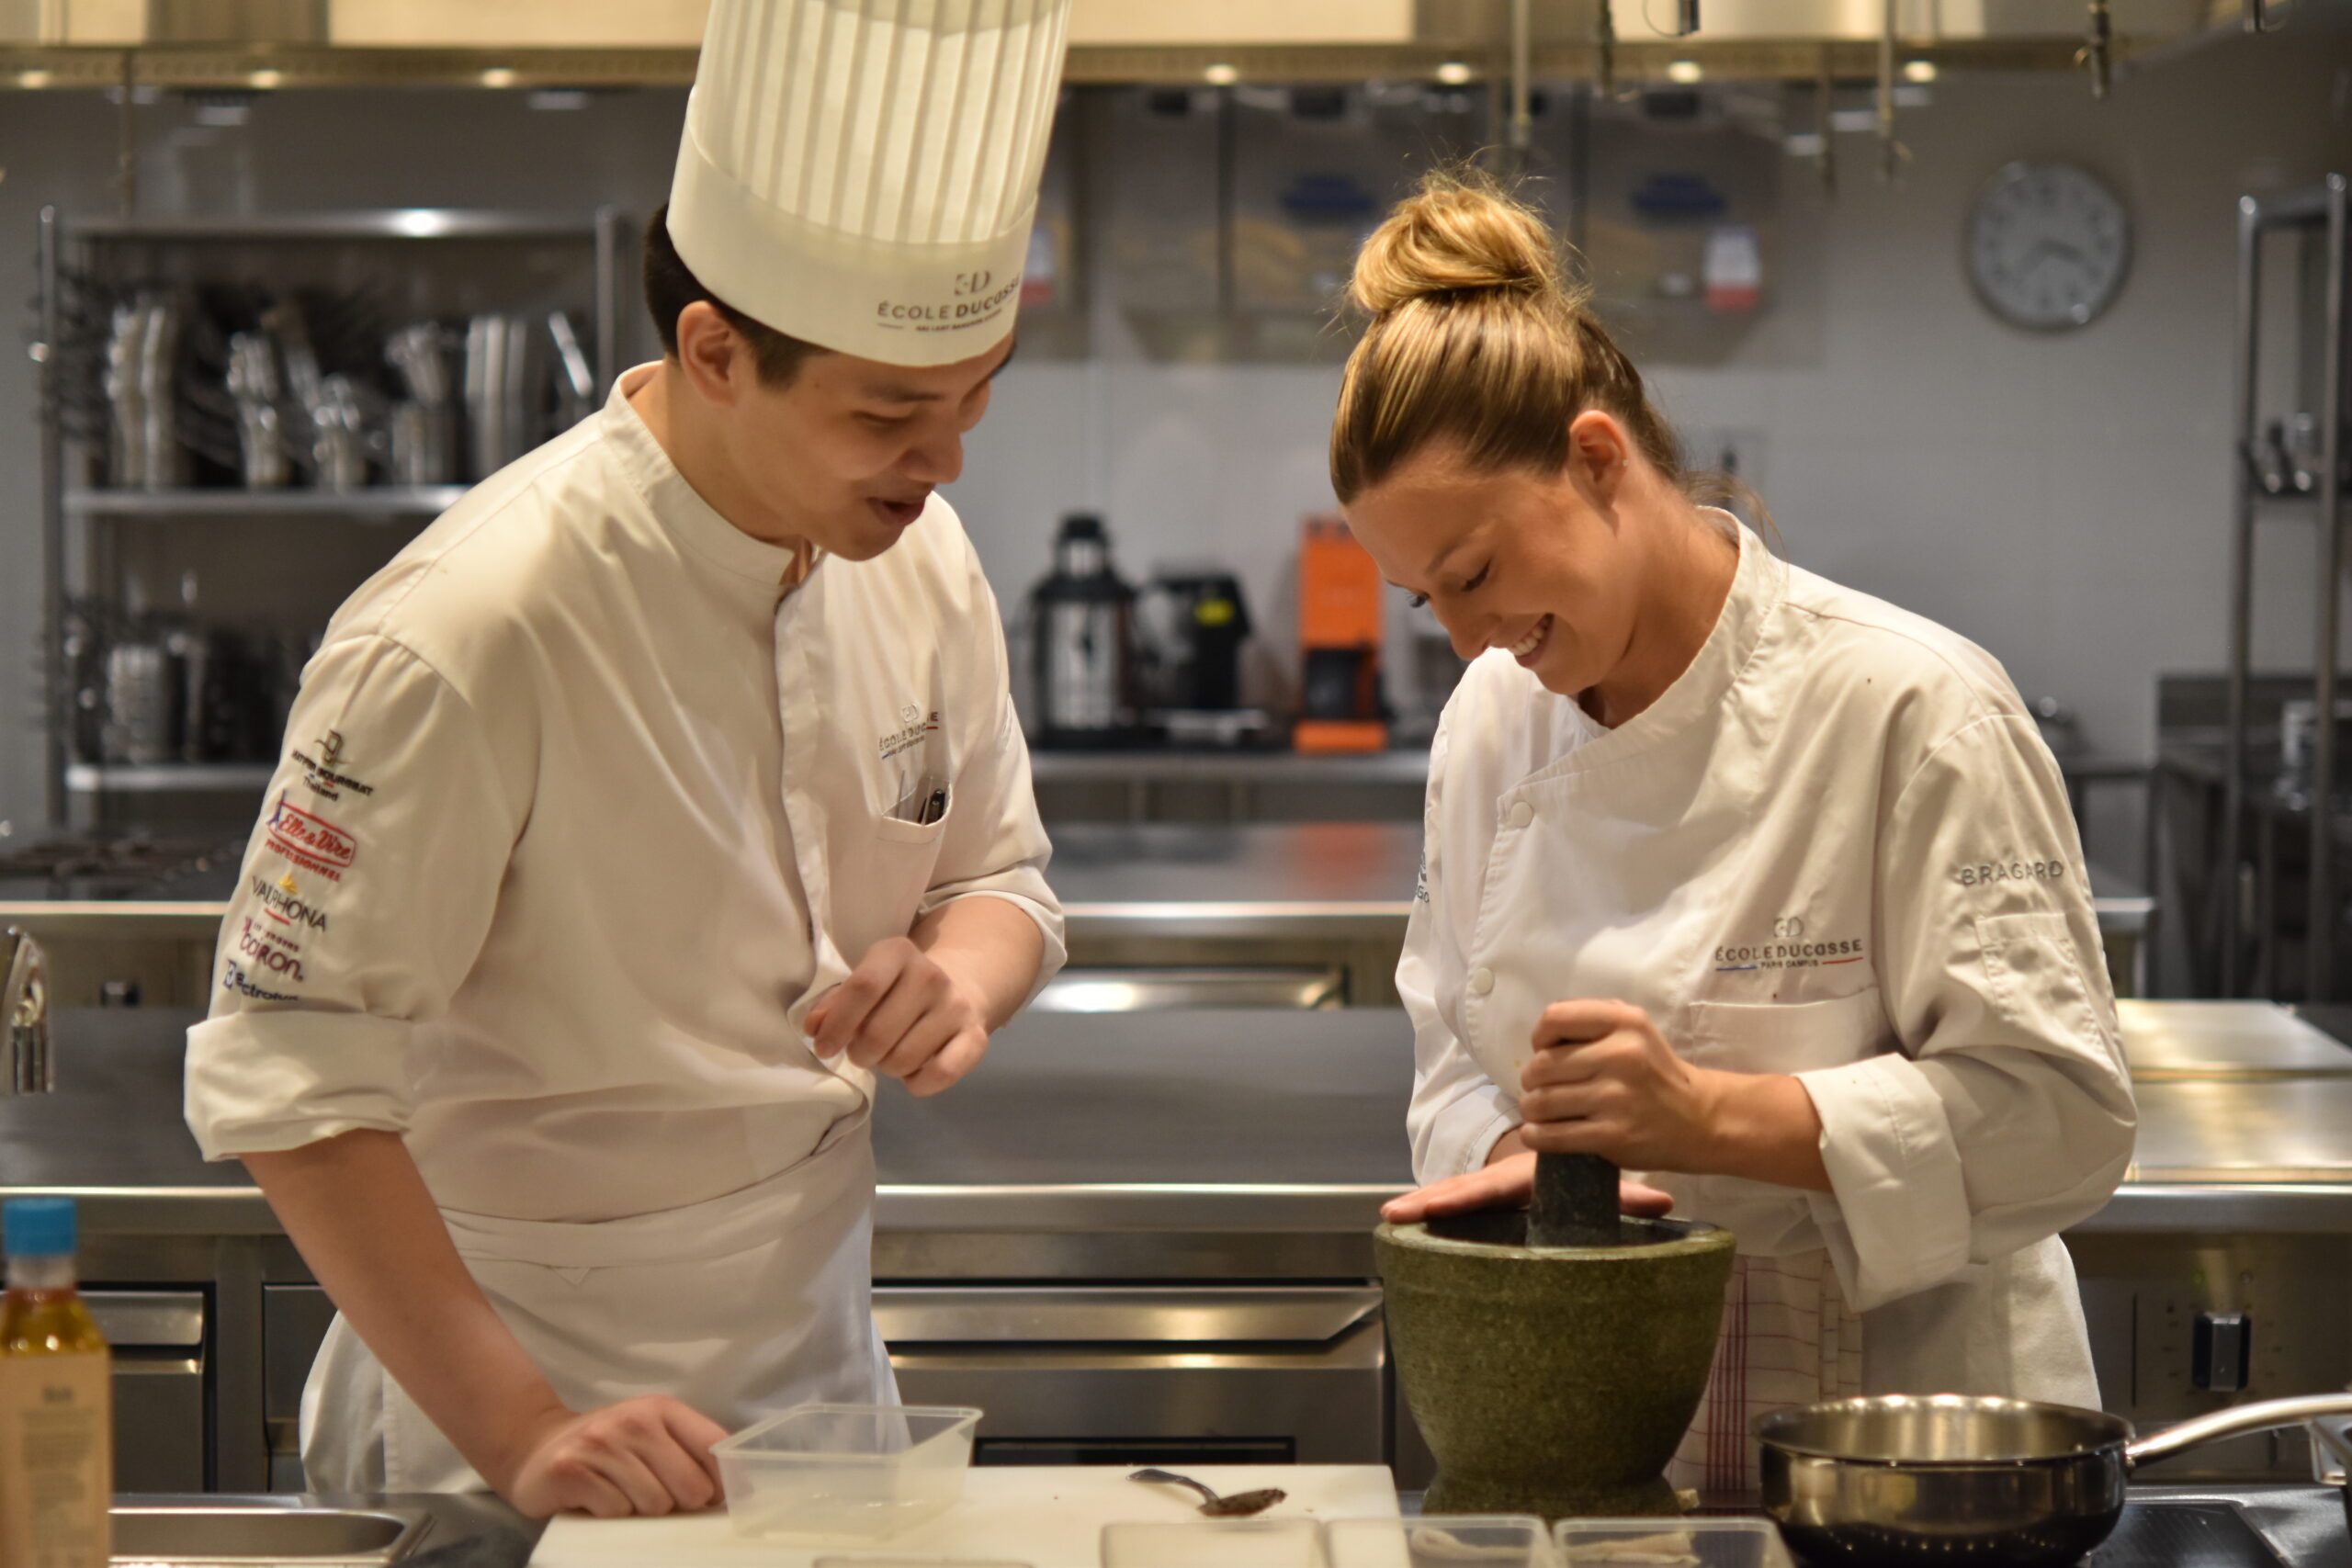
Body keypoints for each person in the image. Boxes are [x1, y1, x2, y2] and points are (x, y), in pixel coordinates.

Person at [184, 0, 1074, 1517]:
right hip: (516, 1406)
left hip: (819, 1394)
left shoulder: (917, 556)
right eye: (892, 414)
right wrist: (524, 1430)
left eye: (976, 397)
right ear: (715, 351)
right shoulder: (468, 629)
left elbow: (1002, 879)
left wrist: (959, 979)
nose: (945, 462)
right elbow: (291, 1082)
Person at [1342, 173, 2137, 1494]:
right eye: (1427, 598)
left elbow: (2062, 1118)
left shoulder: (1910, 706)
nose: (1467, 638)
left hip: (1905, 1430)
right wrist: (1523, 1162)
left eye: (1474, 573)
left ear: (1598, 459)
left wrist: (1710, 1117)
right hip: (1600, 1398)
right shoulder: (1493, 716)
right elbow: (1451, 1054)